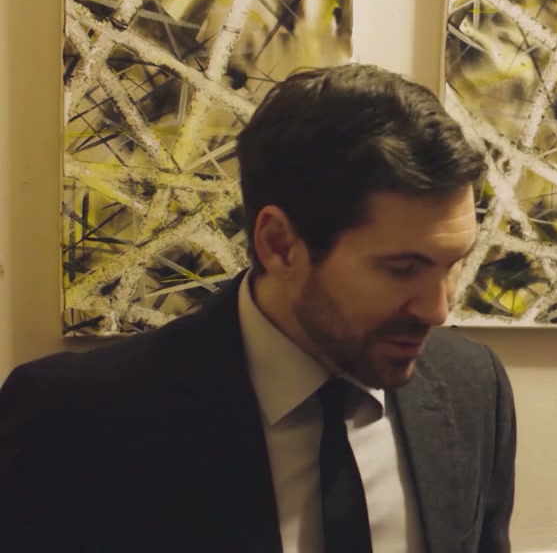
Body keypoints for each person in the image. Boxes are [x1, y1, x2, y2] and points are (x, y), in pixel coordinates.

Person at [0, 64, 516, 553]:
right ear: (281, 245)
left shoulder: (474, 388)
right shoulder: (72, 418)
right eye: (402, 269)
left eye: (454, 263)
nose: (438, 310)